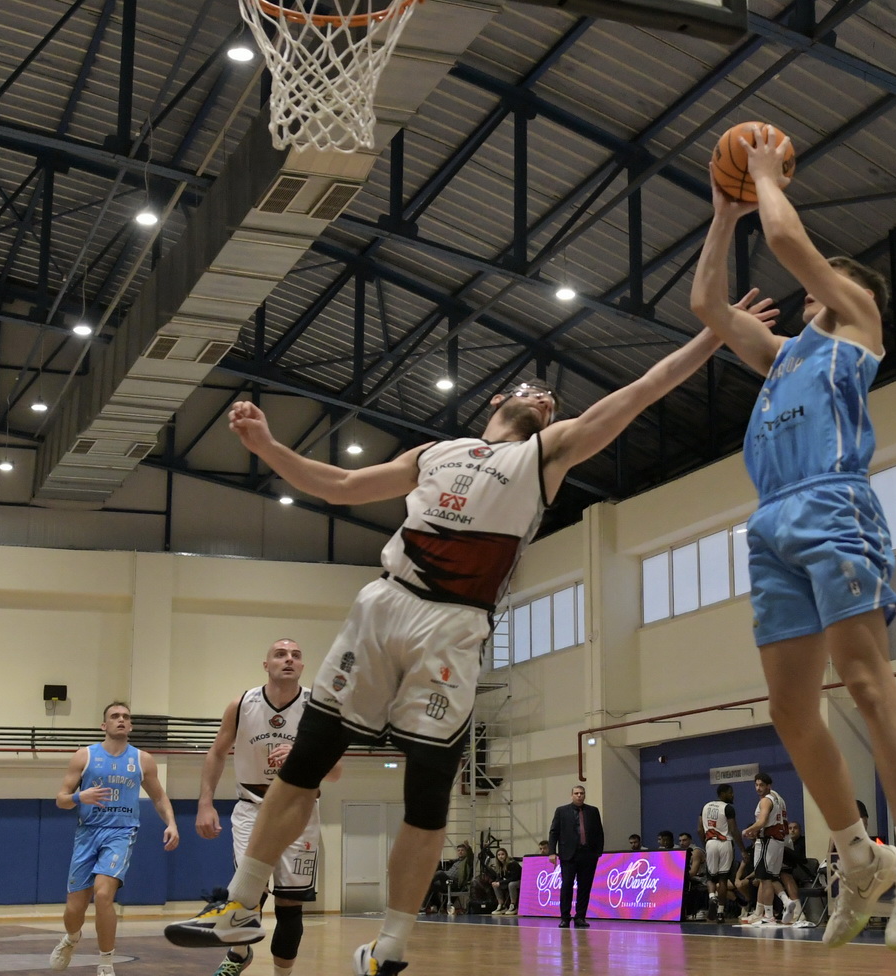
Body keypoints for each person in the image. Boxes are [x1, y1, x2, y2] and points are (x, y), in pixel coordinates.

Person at [167, 293, 775, 975]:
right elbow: (339, 484)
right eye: (535, 390)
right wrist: (268, 447)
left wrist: (715, 331)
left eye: (552, 400)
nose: (545, 399)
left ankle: (390, 948)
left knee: (426, 799)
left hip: (454, 626)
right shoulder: (437, 451)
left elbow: (642, 391)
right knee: (306, 762)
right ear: (498, 398)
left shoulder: (546, 453)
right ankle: (241, 904)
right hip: (385, 603)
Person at [692, 125, 896, 950]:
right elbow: (706, 308)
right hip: (771, 523)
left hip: (834, 504)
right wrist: (723, 214)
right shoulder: (783, 357)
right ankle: (857, 855)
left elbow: (789, 241)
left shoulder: (857, 323)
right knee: (790, 707)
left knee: (866, 681)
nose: (811, 292)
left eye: (823, 282)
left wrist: (764, 175)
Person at [193, 639, 342, 976]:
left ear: (302, 666)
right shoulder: (242, 704)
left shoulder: (318, 708)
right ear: (266, 665)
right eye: (280, 654)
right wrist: (205, 803)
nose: (288, 659)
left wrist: (303, 755)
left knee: (290, 906)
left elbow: (335, 772)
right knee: (248, 894)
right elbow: (217, 753)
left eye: (296, 655)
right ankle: (238, 954)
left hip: (299, 812)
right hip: (252, 807)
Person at [52, 703, 180, 976]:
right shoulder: (85, 756)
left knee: (103, 895)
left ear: (130, 725)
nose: (121, 719)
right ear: (104, 725)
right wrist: (80, 796)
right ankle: (72, 938)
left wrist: (171, 823)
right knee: (74, 909)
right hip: (88, 832)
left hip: (121, 833)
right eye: (115, 716)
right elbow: (61, 800)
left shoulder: (143, 759)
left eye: (125, 717)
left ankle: (106, 963)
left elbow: (159, 796)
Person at [739, 773, 799, 927]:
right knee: (771, 877)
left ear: (768, 786)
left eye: (761, 785)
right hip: (779, 841)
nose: (758, 788)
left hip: (768, 840)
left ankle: (769, 915)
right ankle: (786, 901)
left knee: (764, 878)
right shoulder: (778, 798)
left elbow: (762, 821)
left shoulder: (766, 800)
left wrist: (748, 830)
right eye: (756, 785)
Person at [548, 785, 604, 927]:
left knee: (585, 887)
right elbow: (554, 832)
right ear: (572, 795)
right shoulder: (561, 811)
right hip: (569, 855)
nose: (579, 795)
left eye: (581, 793)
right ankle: (565, 917)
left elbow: (599, 832)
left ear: (584, 795)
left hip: (588, 855)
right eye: (576, 793)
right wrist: (552, 852)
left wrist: (598, 851)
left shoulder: (593, 811)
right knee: (567, 886)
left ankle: (580, 917)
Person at [699, 784, 742, 921]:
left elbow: (699, 829)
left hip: (710, 842)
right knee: (723, 879)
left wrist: (706, 844)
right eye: (730, 792)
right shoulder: (728, 808)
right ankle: (720, 913)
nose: (732, 795)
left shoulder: (705, 807)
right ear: (722, 793)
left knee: (711, 877)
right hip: (725, 843)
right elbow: (733, 830)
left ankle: (712, 897)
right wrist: (742, 849)